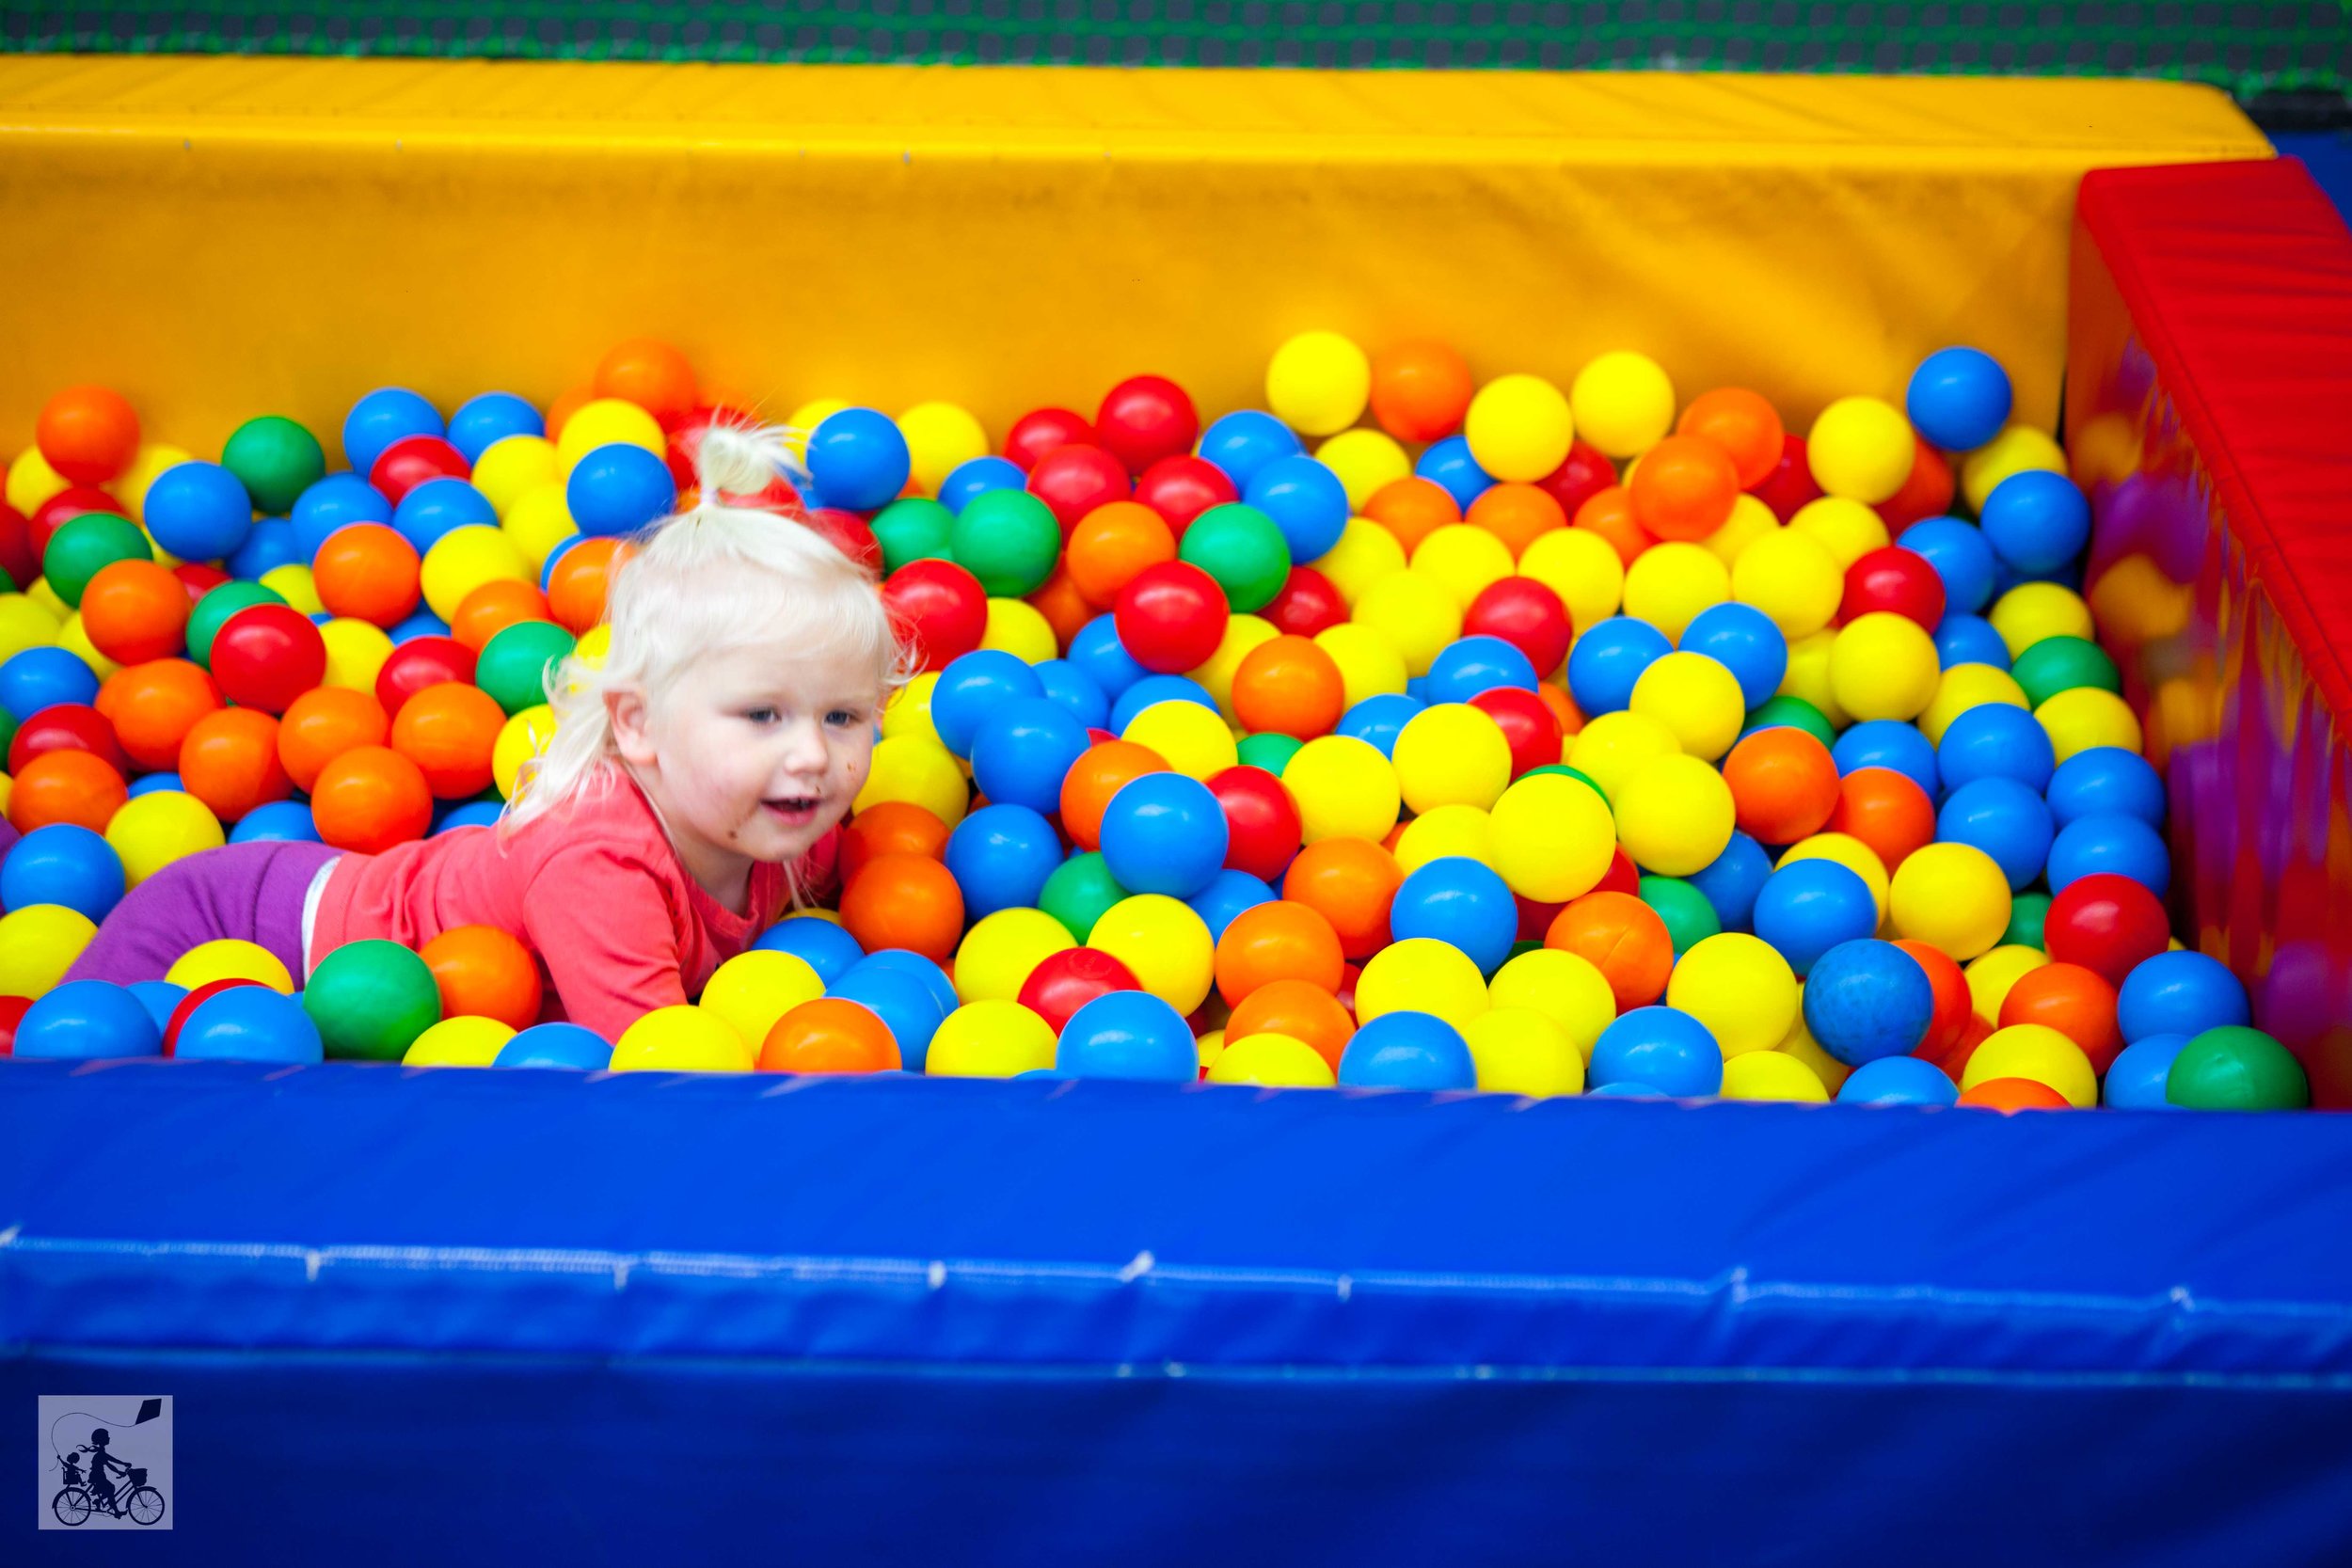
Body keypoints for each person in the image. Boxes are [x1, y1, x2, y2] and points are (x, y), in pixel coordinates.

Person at [63, 421, 905, 1041]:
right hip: (239, 928)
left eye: (843, 716)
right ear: (639, 725)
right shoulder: (600, 867)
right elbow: (657, 1072)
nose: (812, 754)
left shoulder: (789, 817)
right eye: (763, 714)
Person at [81, 1430, 131, 1513]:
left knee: (110, 1489)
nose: (109, 1438)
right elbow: (110, 1464)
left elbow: (111, 1460)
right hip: (97, 1476)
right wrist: (119, 1470)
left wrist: (123, 1464)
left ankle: (101, 1502)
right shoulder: (101, 1453)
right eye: (107, 1436)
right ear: (102, 1439)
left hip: (98, 1475)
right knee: (111, 1488)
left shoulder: (101, 1451)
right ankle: (113, 1510)